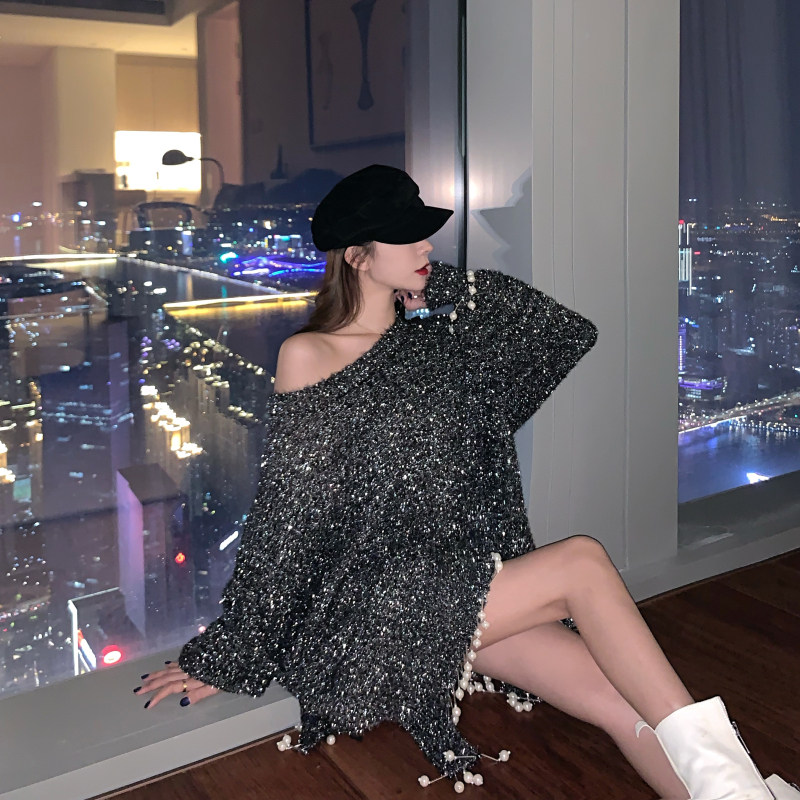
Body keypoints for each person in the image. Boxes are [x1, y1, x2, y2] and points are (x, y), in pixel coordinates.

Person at [134, 165, 799, 799]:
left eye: (424, 234)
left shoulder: (440, 343)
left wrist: (441, 288)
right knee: (581, 563)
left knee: (627, 705)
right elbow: (288, 515)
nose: (426, 245)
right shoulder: (309, 354)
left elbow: (565, 333)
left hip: (457, 586)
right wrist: (234, 650)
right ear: (357, 256)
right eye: (406, 236)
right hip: (374, 604)